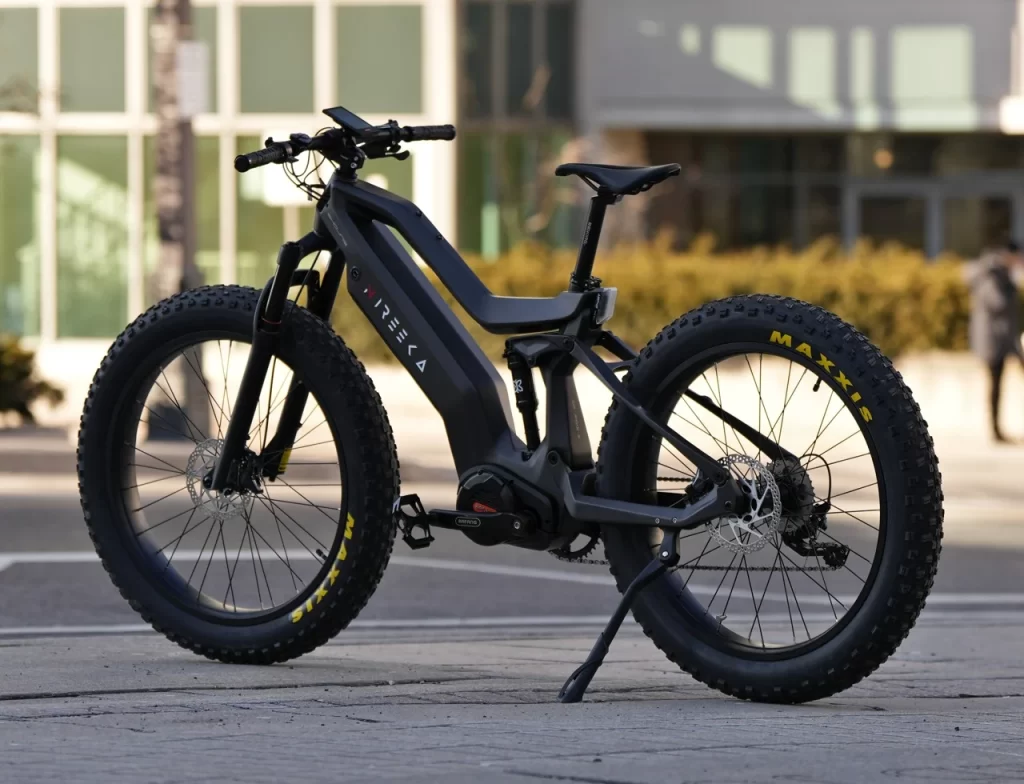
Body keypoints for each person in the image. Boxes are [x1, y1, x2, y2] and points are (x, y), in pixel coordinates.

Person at [965, 241, 1024, 442]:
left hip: (1003, 339)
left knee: (997, 384)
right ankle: (995, 430)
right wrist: (1013, 283)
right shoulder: (991, 275)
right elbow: (997, 303)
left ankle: (997, 429)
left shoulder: (999, 274)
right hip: (993, 340)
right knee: (995, 384)